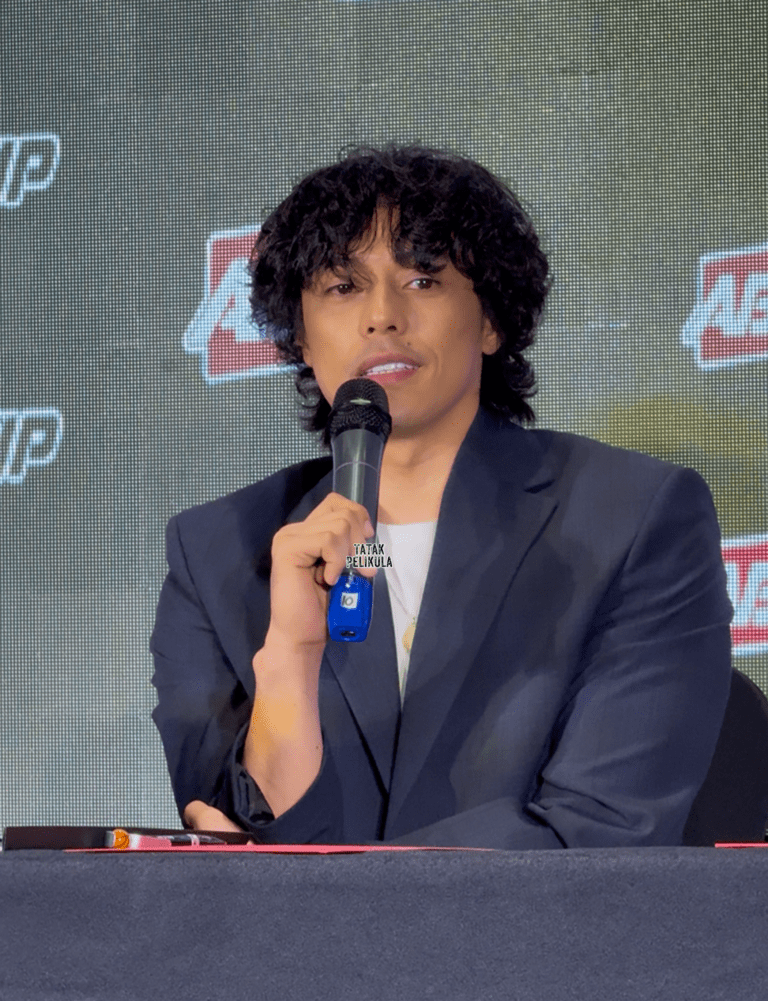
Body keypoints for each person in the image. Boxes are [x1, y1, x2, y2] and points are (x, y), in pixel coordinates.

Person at [151, 145, 733, 847]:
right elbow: (224, 848)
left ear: (490, 321)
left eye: (423, 279)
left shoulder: (633, 516)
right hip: (302, 927)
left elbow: (599, 833)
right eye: (343, 286)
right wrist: (291, 656)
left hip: (536, 923)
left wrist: (340, 881)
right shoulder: (215, 552)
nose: (382, 316)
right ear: (299, 336)